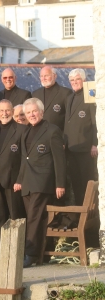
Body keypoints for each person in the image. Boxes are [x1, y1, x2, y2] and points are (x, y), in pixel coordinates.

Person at [14, 98, 66, 268]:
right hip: (28, 182)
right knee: (37, 217)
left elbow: (60, 160)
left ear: (41, 112)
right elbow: (24, 159)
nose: (31, 115)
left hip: (43, 182)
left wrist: (60, 184)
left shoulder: (52, 131)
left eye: (34, 111)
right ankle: (42, 254)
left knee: (34, 218)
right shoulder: (26, 131)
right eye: (28, 113)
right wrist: (19, 180)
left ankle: (30, 254)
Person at [0, 100, 27, 260]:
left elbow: (24, 158)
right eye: (1, 110)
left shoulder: (22, 130)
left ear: (12, 111)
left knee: (16, 216)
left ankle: (17, 250)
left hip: (13, 182)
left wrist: (20, 179)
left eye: (7, 110)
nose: (4, 113)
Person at [64, 68, 98, 205]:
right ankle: (79, 213)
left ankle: (91, 214)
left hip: (86, 148)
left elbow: (95, 122)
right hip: (71, 148)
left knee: (88, 183)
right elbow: (68, 123)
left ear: (84, 80)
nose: (74, 82)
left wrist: (95, 143)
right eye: (72, 80)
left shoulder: (90, 95)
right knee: (76, 183)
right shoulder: (69, 98)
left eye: (77, 79)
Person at [32, 66, 72, 132]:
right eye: (41, 76)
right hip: (38, 134)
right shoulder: (35, 94)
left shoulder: (65, 93)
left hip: (57, 134)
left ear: (54, 76)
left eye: (46, 75)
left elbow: (69, 118)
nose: (43, 78)